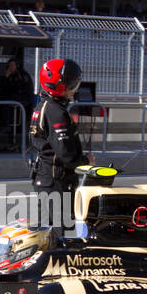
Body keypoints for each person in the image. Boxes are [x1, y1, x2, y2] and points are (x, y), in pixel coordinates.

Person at [29, 58, 90, 233]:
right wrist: (86, 160)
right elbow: (66, 155)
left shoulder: (43, 106)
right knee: (62, 235)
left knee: (46, 231)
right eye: (70, 83)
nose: (74, 88)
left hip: (46, 177)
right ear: (57, 85)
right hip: (56, 180)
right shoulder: (56, 112)